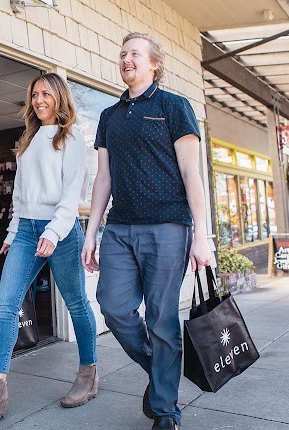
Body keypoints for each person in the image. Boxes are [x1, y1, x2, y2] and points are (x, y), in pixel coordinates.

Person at [81, 32, 216, 430]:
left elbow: (193, 173)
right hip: (120, 228)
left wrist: (202, 235)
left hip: (168, 227)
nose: (126, 59)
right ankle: (163, 375)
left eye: (134, 54)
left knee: (161, 319)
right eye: (122, 54)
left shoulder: (174, 107)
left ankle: (164, 409)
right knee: (114, 307)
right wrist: (91, 232)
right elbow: (103, 178)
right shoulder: (109, 117)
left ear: (154, 63)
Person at [0, 73, 98, 421]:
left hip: (61, 231)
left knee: (77, 303)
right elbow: (19, 195)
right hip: (26, 231)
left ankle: (88, 374)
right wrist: (11, 234)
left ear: (59, 98)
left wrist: (53, 232)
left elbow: (71, 195)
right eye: (35, 95)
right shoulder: (29, 139)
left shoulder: (72, 139)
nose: (39, 100)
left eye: (46, 94)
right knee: (6, 305)